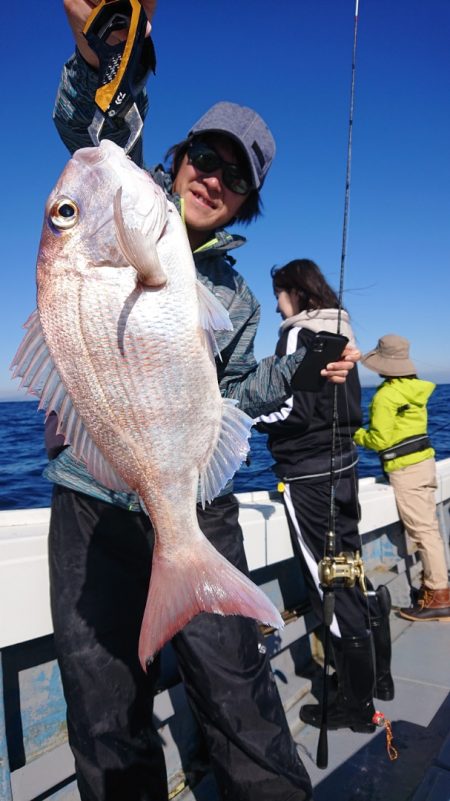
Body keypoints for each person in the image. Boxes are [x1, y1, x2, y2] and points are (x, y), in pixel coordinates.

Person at [44, 3, 359, 800]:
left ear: (246, 202)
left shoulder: (240, 299)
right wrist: (107, 52)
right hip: (92, 504)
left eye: (236, 177)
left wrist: (295, 369)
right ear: (178, 157)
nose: (214, 178)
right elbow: (93, 128)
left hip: (191, 498)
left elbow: (231, 397)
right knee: (104, 712)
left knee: (239, 694)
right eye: (206, 157)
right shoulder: (121, 204)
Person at [254, 259, 394, 734]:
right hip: (344, 468)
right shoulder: (341, 333)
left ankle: (355, 706)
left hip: (309, 476)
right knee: (350, 570)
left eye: (279, 294)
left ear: (295, 291)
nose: (278, 306)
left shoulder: (299, 334)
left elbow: (291, 410)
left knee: (327, 582)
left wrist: (245, 412)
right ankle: (378, 680)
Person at [354, 334, 450, 622]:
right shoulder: (415, 389)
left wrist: (355, 434)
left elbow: (379, 440)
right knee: (429, 530)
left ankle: (439, 595)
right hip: (425, 463)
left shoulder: (386, 395)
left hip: (406, 471)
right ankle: (436, 587)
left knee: (423, 532)